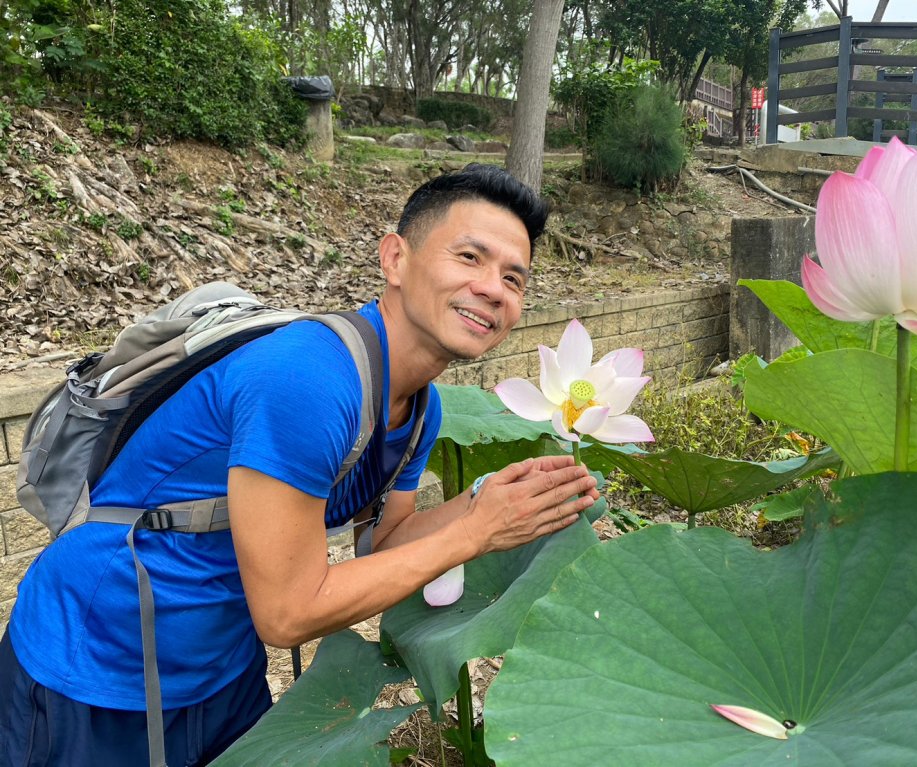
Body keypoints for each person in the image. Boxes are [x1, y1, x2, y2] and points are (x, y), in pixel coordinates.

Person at [0, 164, 599, 766]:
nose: (494, 288)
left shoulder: (421, 410)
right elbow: (288, 614)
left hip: (222, 665)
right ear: (395, 259)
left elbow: (384, 540)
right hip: (99, 660)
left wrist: (488, 503)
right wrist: (476, 531)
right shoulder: (308, 379)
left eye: (514, 278)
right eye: (470, 257)